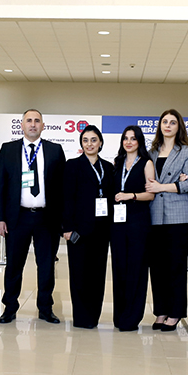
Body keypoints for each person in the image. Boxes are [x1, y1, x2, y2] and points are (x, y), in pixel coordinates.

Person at [0, 109, 66, 324]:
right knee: (14, 266)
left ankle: (45, 308)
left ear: (43, 125)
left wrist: (63, 220)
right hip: (18, 218)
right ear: (22, 125)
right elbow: (0, 186)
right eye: (29, 121)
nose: (33, 124)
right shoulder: (8, 149)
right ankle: (9, 307)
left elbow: (62, 187)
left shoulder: (55, 150)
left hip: (46, 218)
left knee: (46, 266)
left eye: (37, 121)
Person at [145, 109, 188, 332]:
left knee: (176, 267)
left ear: (179, 127)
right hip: (154, 215)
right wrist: (175, 183)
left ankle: (175, 312)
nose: (168, 125)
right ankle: (161, 311)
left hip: (178, 217)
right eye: (164, 121)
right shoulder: (151, 152)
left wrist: (164, 187)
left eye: (172, 122)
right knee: (157, 268)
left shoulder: (186, 151)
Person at [63, 125, 114, 328]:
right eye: (85, 140)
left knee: (97, 275)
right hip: (79, 231)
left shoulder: (108, 167)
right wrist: (67, 228)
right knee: (79, 275)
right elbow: (66, 198)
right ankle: (82, 318)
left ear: (100, 143)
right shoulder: (72, 165)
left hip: (102, 230)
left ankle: (94, 316)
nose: (89, 144)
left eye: (93, 140)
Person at [109, 126, 155, 331]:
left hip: (138, 221)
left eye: (133, 139)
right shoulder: (117, 163)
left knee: (136, 268)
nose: (129, 142)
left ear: (139, 142)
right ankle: (120, 315)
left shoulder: (146, 163)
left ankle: (132, 317)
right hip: (118, 223)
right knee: (119, 268)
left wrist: (131, 196)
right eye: (125, 138)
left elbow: (151, 194)